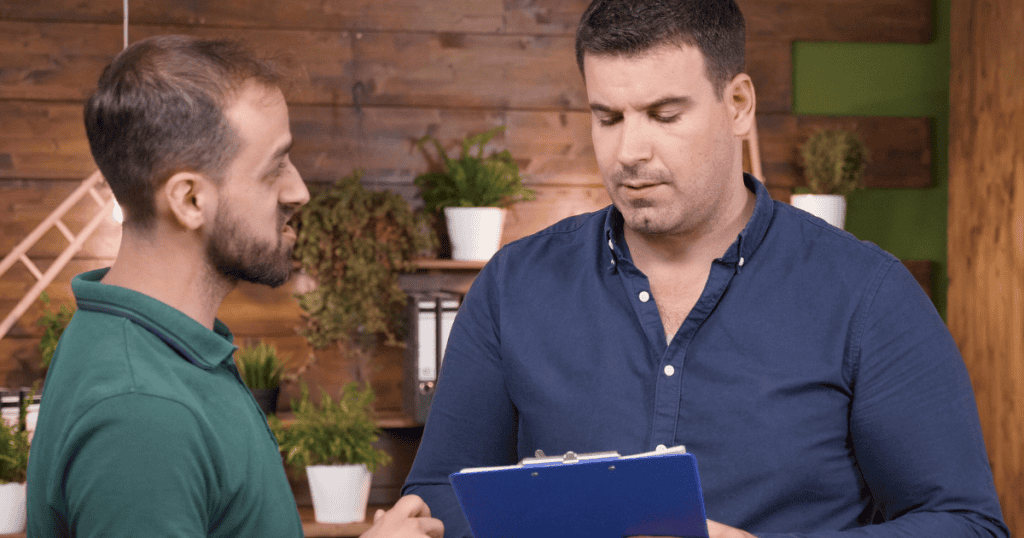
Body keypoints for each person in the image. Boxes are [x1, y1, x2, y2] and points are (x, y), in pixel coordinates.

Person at [402, 1, 1010, 537]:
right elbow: (436, 501)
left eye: (664, 115)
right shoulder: (512, 286)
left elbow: (966, 523)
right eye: (608, 118)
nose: (629, 152)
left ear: (738, 104)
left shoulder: (868, 297)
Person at [26, 35, 442, 538]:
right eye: (275, 168)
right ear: (190, 200)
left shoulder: (155, 348)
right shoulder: (143, 412)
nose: (299, 191)